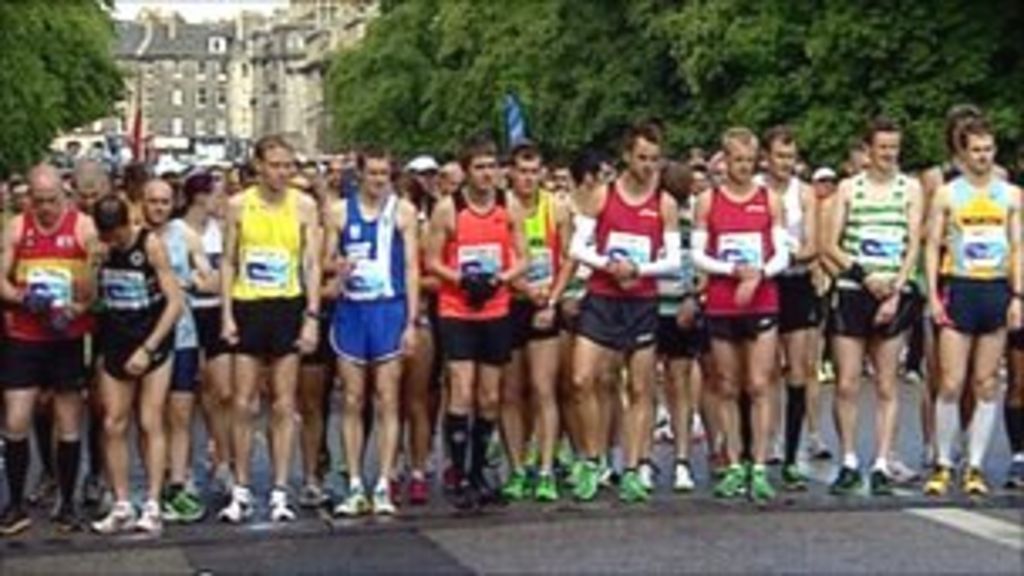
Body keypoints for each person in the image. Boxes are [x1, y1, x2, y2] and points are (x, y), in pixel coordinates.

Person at [568, 122, 681, 503]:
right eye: (642, 158)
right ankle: (592, 459)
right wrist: (609, 265)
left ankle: (632, 468)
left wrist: (638, 270)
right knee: (582, 379)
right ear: (627, 157)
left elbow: (672, 261)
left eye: (655, 159)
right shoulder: (604, 194)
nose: (648, 166)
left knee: (640, 387)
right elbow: (577, 247)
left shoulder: (664, 203)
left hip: (641, 301)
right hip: (602, 297)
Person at [218, 135, 322, 523]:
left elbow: (311, 263)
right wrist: (227, 314)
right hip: (249, 305)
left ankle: (280, 488)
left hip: (287, 305)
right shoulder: (238, 205)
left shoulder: (304, 205)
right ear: (259, 166)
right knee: (242, 401)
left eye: (288, 166)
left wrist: (311, 316)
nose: (282, 173)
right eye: (275, 165)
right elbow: (229, 261)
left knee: (283, 402)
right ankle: (241, 487)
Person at [426, 135, 528, 509]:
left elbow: (523, 257)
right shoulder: (448, 209)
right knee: (461, 388)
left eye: (492, 166)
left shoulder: (508, 204)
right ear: (466, 171)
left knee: (489, 395)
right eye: (480, 167)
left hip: (495, 307)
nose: (488, 174)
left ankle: (479, 468)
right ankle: (460, 473)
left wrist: (500, 278)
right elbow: (432, 260)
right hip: (457, 308)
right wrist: (461, 280)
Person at [824, 117, 923, 496]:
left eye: (894, 148)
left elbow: (913, 244)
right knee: (847, 382)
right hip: (854, 289)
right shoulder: (849, 188)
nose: (889, 154)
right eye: (882, 148)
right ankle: (849, 460)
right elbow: (830, 244)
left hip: (892, 293)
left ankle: (882, 463)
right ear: (868, 150)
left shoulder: (910, 188)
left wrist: (896, 290)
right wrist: (864, 276)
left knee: (886, 382)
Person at [924, 117, 1022, 496]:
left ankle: (975, 465)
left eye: (988, 149)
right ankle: (943, 463)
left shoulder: (1011, 195)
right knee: (951, 382)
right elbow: (932, 246)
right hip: (959, 287)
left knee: (986, 382)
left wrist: (1018, 296)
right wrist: (933, 296)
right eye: (976, 150)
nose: (983, 156)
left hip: (995, 288)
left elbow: (1018, 246)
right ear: (963, 154)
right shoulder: (947, 194)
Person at [692, 127, 789, 503]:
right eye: (737, 160)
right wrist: (734, 272)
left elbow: (782, 254)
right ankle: (733, 462)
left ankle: (759, 465)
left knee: (760, 383)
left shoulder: (770, 200)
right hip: (723, 301)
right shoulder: (707, 201)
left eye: (750, 161)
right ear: (725, 160)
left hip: (761, 300)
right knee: (727, 385)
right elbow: (698, 255)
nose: (744, 167)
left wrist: (758, 274)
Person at [0, 164, 98, 535]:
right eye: (38, 201)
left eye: (52, 201)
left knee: (68, 419)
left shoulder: (82, 226)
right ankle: (15, 503)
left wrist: (78, 306)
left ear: (64, 195)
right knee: (16, 419)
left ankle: (68, 503)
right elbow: (1, 278)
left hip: (66, 337)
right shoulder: (17, 227)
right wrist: (22, 297)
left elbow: (95, 283)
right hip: (25, 335)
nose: (45, 209)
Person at [326, 147, 419, 516]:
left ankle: (383, 482)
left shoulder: (403, 212)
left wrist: (411, 322)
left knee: (387, 397)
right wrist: (338, 265)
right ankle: (353, 482)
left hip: (388, 309)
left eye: (385, 174)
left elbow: (411, 267)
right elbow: (323, 260)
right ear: (360, 175)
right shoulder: (338, 211)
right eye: (373, 173)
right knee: (352, 399)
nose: (379, 180)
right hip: (352, 311)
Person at [90, 194, 184, 535]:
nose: (112, 241)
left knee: (149, 420)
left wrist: (148, 347)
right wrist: (93, 266)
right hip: (117, 337)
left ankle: (153, 502)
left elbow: (175, 303)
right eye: (106, 235)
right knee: (113, 422)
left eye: (116, 234)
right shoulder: (101, 248)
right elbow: (92, 298)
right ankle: (122, 503)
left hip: (151, 338)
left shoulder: (150, 245)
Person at [500, 141, 573, 503]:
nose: (528, 179)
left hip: (544, 304)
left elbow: (569, 258)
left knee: (544, 388)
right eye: (522, 172)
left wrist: (553, 299)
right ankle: (517, 468)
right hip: (510, 303)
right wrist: (523, 288)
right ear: (510, 173)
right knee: (511, 392)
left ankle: (545, 469)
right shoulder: (501, 208)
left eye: (534, 172)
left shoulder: (555, 207)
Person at [143, 179, 215, 523]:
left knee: (180, 413)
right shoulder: (133, 235)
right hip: (142, 334)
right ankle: (153, 485)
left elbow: (210, 278)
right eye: (153, 201)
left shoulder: (184, 234)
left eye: (165, 202)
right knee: (148, 416)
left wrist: (193, 282)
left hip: (182, 333)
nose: (159, 208)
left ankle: (178, 482)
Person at [757, 126, 819, 491]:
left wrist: (790, 255)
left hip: (795, 280)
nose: (786, 163)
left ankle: (793, 454)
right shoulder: (755, 190)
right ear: (766, 158)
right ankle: (763, 447)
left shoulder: (804, 192)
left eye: (791, 157)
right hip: (763, 281)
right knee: (763, 371)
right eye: (780, 156)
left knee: (799, 369)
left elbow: (813, 245)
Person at [180, 172, 233, 494]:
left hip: (216, 313)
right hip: (186, 315)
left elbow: (221, 278)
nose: (223, 201)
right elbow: (195, 280)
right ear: (200, 196)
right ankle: (183, 469)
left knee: (222, 392)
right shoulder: (178, 231)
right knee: (185, 397)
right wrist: (206, 280)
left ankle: (222, 459)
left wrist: (210, 281)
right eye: (218, 194)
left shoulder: (222, 230)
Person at [653, 160, 704, 492]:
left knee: (680, 380)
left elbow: (697, 260)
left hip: (679, 302)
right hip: (651, 302)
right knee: (647, 382)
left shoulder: (692, 216)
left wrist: (693, 295)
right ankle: (643, 460)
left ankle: (683, 460)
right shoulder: (651, 214)